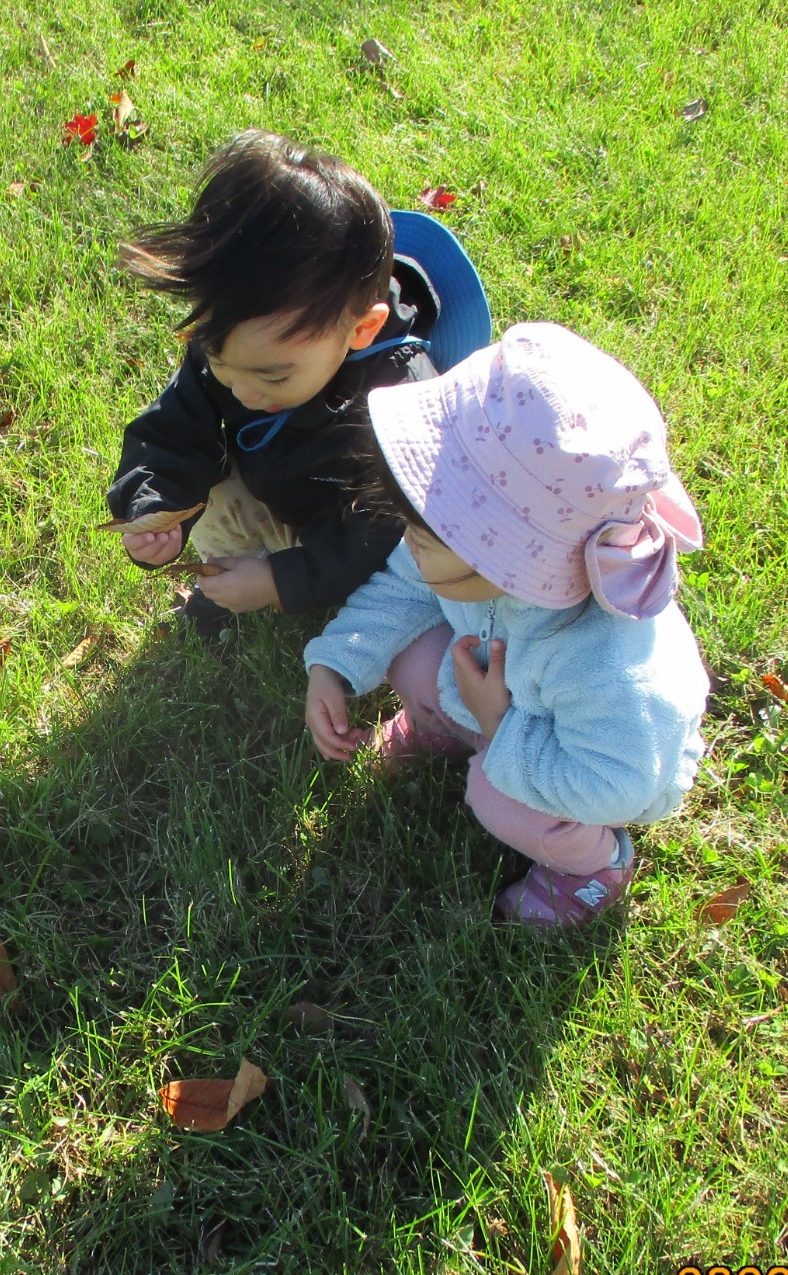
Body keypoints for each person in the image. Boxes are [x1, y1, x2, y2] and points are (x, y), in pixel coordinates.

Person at [302, 323, 711, 928]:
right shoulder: (471, 566)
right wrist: (333, 665)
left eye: (425, 533)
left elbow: (614, 786)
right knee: (410, 653)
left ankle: (593, 866)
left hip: (595, 768)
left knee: (496, 799)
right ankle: (447, 726)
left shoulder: (612, 665)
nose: (407, 545)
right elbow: (401, 587)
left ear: (514, 558)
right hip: (500, 697)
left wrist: (497, 724)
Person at [106, 130, 491, 638]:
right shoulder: (241, 346)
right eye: (220, 359)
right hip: (280, 493)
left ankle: (308, 601)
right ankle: (232, 584)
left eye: (274, 375)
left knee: (415, 578)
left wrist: (279, 580)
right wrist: (152, 507)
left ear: (362, 330)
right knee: (209, 486)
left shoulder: (402, 397)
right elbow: (173, 431)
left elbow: (380, 529)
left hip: (367, 544)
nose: (243, 390)